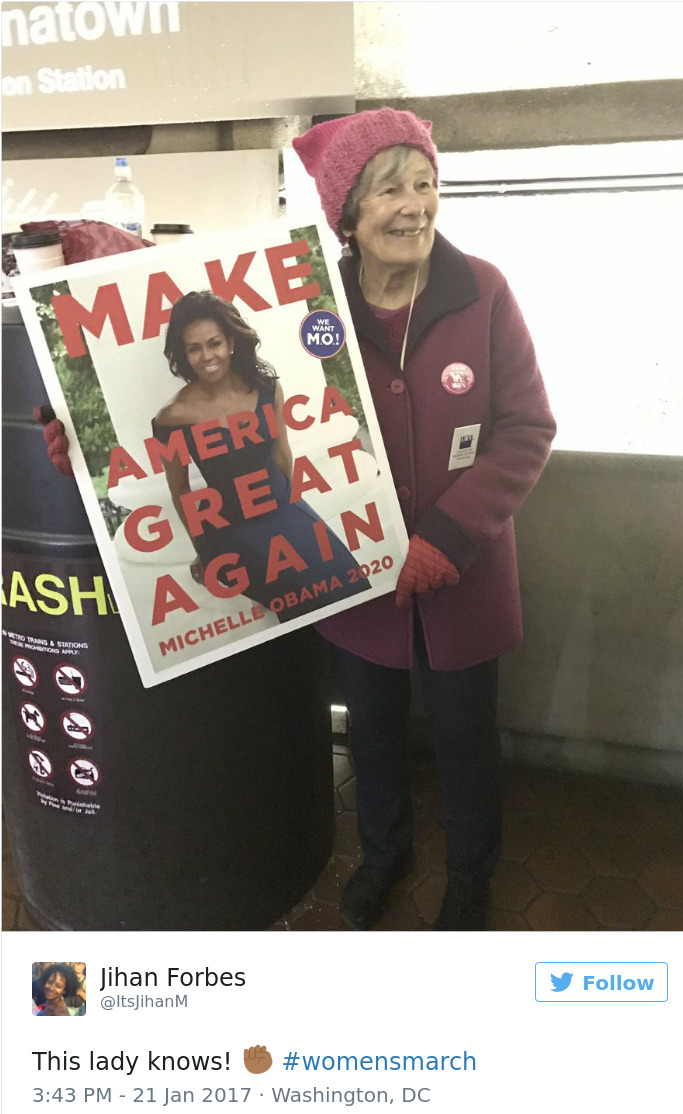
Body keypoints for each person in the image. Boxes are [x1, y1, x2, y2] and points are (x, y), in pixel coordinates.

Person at [292, 107, 556, 930]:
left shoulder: (481, 289)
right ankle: (384, 854)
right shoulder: (306, 304)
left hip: (462, 576)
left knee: (466, 738)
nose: (414, 205)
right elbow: (237, 413)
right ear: (348, 213)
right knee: (370, 732)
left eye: (426, 183)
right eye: (389, 190)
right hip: (355, 571)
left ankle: (471, 877)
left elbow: (525, 427)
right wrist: (87, 439)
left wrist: (448, 536)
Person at [151, 291, 369, 620]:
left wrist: (299, 516)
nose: (207, 356)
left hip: (284, 507)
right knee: (304, 602)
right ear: (183, 353)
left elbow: (283, 455)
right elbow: (181, 490)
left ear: (232, 343)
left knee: (353, 587)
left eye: (214, 343)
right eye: (193, 348)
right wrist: (205, 553)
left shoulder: (266, 389)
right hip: (235, 530)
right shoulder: (172, 417)